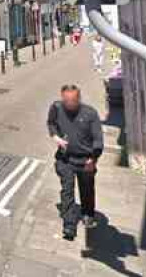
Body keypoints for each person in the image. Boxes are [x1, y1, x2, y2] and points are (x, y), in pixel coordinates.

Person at [47, 84, 104, 240]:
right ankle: (69, 226)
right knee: (67, 191)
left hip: (85, 160)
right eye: (66, 100)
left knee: (87, 190)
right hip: (65, 159)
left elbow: (98, 140)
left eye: (72, 101)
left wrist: (93, 159)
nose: (69, 104)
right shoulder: (56, 107)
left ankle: (88, 213)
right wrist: (55, 137)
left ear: (79, 98)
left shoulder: (90, 113)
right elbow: (51, 123)